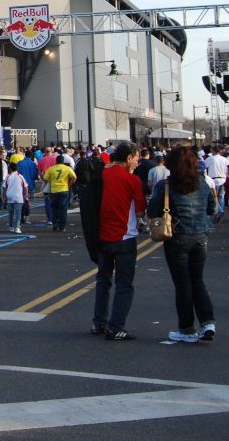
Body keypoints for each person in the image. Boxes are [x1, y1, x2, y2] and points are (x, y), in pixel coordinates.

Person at [148, 145, 217, 343]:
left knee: (182, 284)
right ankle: (207, 322)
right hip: (200, 236)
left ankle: (187, 328)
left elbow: (153, 211)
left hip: (177, 237)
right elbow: (213, 208)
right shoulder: (202, 182)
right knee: (198, 280)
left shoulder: (166, 185)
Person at [91, 142, 145, 341]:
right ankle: (115, 326)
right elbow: (140, 211)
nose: (138, 163)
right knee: (124, 284)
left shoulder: (103, 175)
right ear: (129, 158)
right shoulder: (132, 181)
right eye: (136, 158)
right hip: (124, 236)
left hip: (102, 235)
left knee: (103, 280)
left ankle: (99, 321)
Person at [43, 157, 77, 232]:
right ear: (63, 162)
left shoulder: (51, 168)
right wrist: (69, 184)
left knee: (54, 208)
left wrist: (49, 183)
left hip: (54, 190)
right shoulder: (67, 168)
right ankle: (62, 227)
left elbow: (45, 178)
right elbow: (74, 177)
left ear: (56, 161)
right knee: (63, 209)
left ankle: (55, 224)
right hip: (64, 189)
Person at [3, 161, 28, 233]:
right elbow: (26, 186)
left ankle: (11, 227)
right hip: (18, 197)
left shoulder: (8, 177)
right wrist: (26, 196)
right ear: (17, 168)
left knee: (10, 213)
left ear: (10, 169)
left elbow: (4, 187)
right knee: (18, 213)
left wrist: (5, 196)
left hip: (10, 196)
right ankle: (17, 227)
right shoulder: (20, 176)